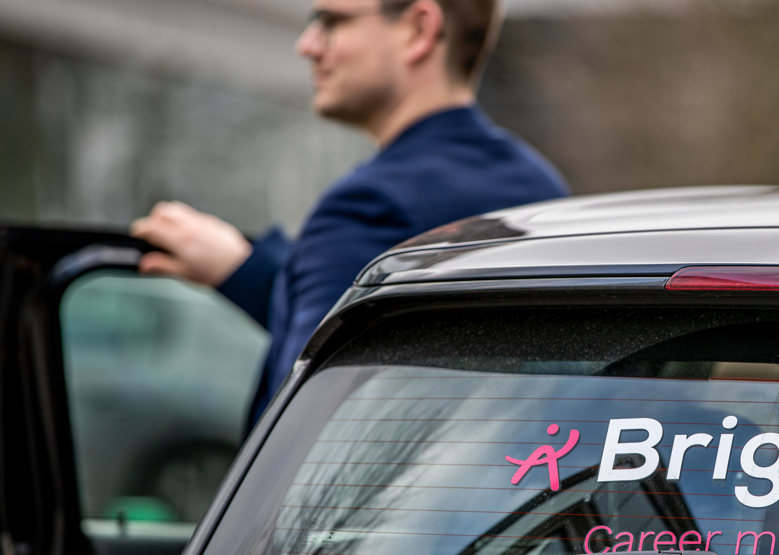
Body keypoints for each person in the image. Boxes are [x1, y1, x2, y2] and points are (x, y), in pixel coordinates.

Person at [131, 0, 568, 428]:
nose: (308, 45)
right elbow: (445, 346)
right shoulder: (539, 186)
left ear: (418, 29)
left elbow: (305, 433)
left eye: (331, 21)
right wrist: (247, 271)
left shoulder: (366, 206)